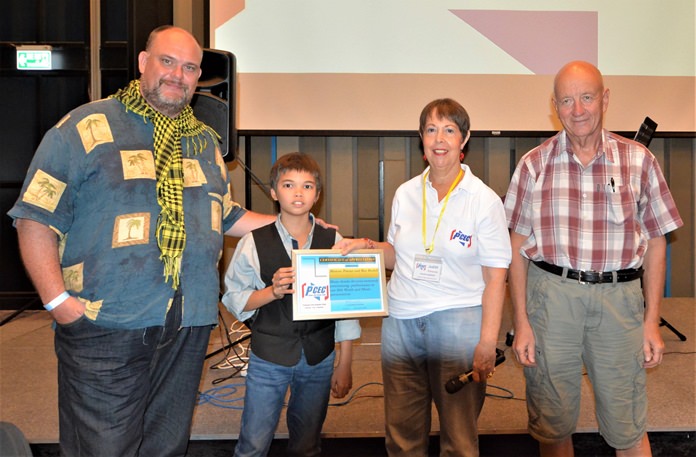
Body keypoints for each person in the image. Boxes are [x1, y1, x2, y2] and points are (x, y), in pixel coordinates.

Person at [7, 25, 279, 456]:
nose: (178, 75)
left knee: (166, 444)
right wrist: (58, 303)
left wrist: (297, 228)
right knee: (104, 447)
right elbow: (35, 215)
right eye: (167, 62)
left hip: (188, 324)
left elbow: (223, 215)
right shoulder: (84, 127)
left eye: (190, 68)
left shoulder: (204, 142)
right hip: (105, 321)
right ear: (142, 63)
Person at [504, 61, 684, 457]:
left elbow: (656, 243)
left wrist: (651, 321)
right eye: (567, 100)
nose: (578, 109)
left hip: (619, 304)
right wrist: (521, 322)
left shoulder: (639, 160)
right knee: (553, 426)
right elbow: (514, 250)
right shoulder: (534, 164)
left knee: (628, 425)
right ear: (555, 106)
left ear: (605, 99)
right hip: (551, 301)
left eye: (587, 97)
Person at [336, 98, 511, 456]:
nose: (439, 139)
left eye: (449, 130)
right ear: (421, 138)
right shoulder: (405, 193)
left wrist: (486, 342)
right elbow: (398, 255)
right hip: (401, 325)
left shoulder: (484, 201)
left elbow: (496, 278)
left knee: (459, 440)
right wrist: (364, 246)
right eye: (431, 130)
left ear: (465, 139)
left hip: (458, 325)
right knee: (401, 436)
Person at [221, 152, 360, 457]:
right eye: (288, 185)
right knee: (254, 441)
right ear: (273, 192)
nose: (298, 193)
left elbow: (346, 306)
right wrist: (272, 291)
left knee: (308, 442)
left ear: (317, 195)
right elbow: (233, 297)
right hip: (269, 357)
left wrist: (345, 362)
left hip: (319, 357)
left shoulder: (334, 239)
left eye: (307, 186)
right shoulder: (253, 241)